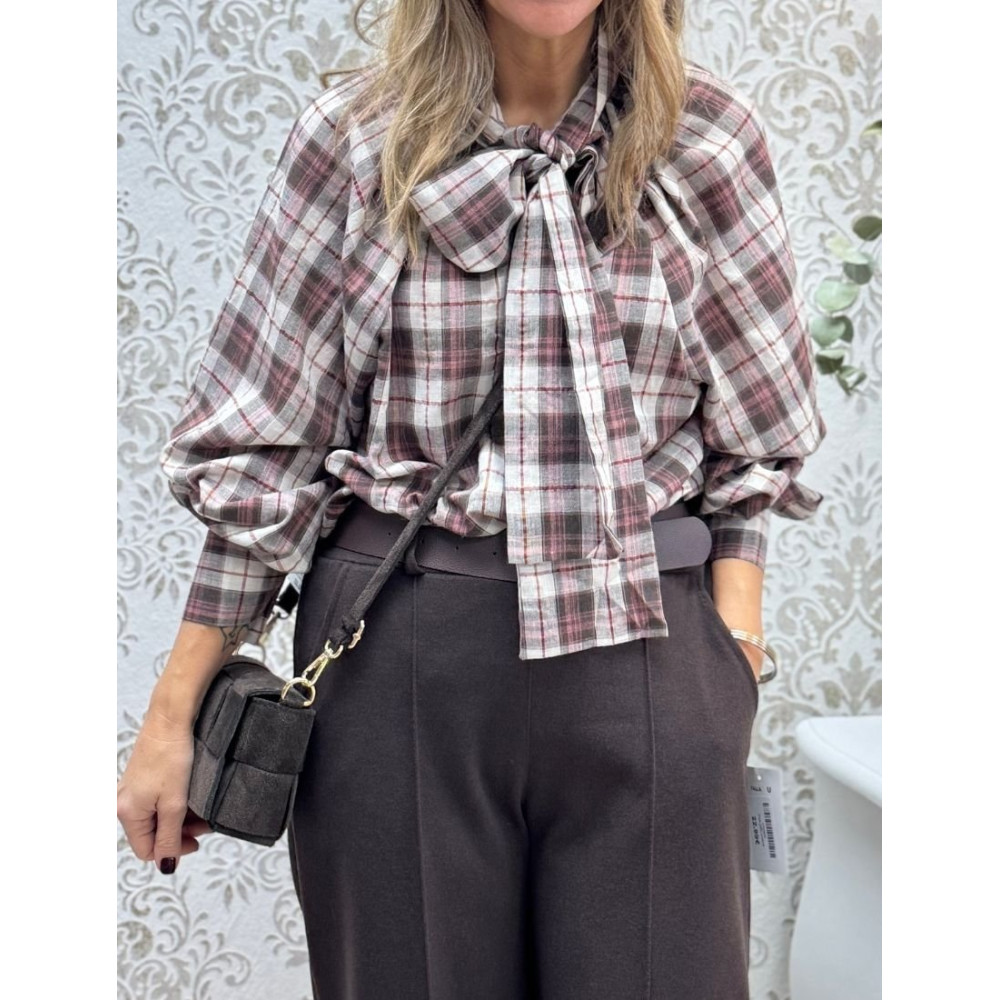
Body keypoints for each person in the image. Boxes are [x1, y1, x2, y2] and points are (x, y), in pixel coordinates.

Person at [117, 0, 827, 997]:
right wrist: (171, 714)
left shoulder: (708, 137)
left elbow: (751, 441)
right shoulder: (354, 139)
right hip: (400, 657)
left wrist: (736, 647)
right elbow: (266, 453)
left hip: (652, 648)